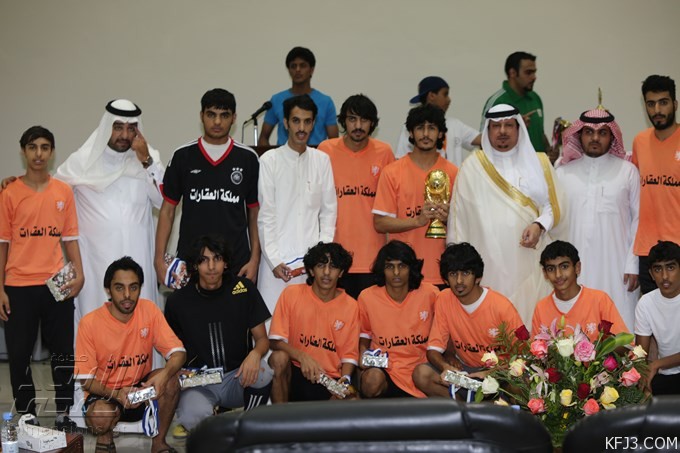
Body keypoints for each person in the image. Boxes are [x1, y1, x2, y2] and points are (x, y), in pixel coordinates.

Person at [0, 126, 84, 427]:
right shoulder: (9, 193)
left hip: (55, 284)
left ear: (52, 152)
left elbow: (70, 238)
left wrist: (79, 273)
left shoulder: (63, 192)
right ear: (23, 151)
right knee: (19, 355)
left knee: (62, 353)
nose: (38, 153)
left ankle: (64, 412)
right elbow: (3, 244)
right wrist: (0, 288)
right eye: (32, 147)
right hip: (18, 285)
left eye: (45, 147)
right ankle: (27, 413)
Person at [448, 103, 562, 324]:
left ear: (519, 128)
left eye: (509, 125)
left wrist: (539, 225)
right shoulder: (472, 167)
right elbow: (458, 218)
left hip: (529, 258)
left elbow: (553, 206)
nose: (502, 131)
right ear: (487, 130)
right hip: (487, 260)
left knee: (531, 318)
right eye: (496, 126)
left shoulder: (539, 163)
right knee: (492, 323)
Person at [54, 99, 164, 326]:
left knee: (141, 323)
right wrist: (21, 183)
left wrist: (146, 160)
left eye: (131, 128)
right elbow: (51, 194)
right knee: (95, 321)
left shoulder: (148, 158)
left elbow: (163, 200)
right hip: (95, 262)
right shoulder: (83, 160)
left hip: (138, 257)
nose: (124, 135)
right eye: (118, 127)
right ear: (107, 127)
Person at [74, 257, 185, 453]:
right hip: (107, 394)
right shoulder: (89, 323)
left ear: (140, 288)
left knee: (171, 381)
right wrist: (117, 394)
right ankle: (105, 440)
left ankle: (159, 444)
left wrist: (164, 375)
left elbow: (179, 353)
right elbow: (86, 380)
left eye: (133, 287)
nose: (127, 295)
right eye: (119, 288)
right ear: (108, 290)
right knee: (100, 415)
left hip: (142, 390)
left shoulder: (149, 310)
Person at [165, 236, 271, 435]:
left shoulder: (244, 289)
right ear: (195, 265)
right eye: (204, 260)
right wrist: (177, 370)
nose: (211, 266)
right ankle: (213, 423)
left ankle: (249, 427)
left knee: (263, 372)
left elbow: (263, 340)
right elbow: (170, 349)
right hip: (199, 383)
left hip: (237, 377)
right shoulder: (178, 301)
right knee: (192, 418)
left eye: (217, 259)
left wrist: (255, 354)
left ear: (226, 263)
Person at [155, 89, 260, 285]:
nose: (217, 122)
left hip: (237, 263)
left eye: (224, 115)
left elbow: (255, 214)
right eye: (211, 115)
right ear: (201, 116)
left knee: (238, 307)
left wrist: (255, 260)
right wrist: (158, 260)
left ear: (234, 118)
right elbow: (167, 210)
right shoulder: (183, 156)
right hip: (191, 262)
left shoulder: (248, 158)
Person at [555, 106, 640, 328]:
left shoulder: (627, 171)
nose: (595, 138)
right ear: (579, 135)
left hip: (617, 265)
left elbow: (638, 220)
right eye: (589, 132)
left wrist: (633, 263)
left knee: (619, 323)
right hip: (575, 266)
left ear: (612, 137)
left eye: (602, 132)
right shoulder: (563, 173)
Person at [257, 94, 337, 316]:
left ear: (313, 123)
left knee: (309, 328)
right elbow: (266, 215)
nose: (301, 128)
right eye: (296, 121)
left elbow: (329, 212)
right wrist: (274, 260)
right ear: (285, 123)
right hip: (276, 265)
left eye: (307, 121)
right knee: (272, 327)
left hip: (311, 266)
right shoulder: (269, 161)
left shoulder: (322, 161)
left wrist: (321, 259)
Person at [413, 243, 524, 398]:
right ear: (446, 279)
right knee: (421, 374)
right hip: (465, 372)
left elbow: (523, 357)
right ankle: (461, 407)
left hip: (498, 374)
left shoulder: (501, 306)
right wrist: (445, 367)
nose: (459, 281)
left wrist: (490, 373)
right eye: (453, 274)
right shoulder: (444, 299)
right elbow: (433, 350)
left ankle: (493, 403)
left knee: (520, 384)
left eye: (465, 273)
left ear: (477, 277)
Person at [318, 94, 395, 298]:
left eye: (364, 120)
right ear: (343, 121)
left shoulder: (385, 152)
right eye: (352, 119)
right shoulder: (325, 150)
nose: (358, 126)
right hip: (334, 256)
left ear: (373, 123)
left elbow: (392, 204)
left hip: (372, 256)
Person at [373, 104, 458, 286]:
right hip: (403, 274)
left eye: (432, 128)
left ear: (441, 134)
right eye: (420, 128)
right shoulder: (392, 172)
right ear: (411, 133)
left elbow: (464, 224)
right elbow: (380, 223)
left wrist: (448, 219)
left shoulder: (454, 173)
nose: (426, 134)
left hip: (442, 272)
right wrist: (417, 221)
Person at [268, 242, 359, 402]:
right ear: (311, 270)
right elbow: (274, 342)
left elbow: (349, 355)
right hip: (296, 371)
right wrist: (302, 356)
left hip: (329, 379)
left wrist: (344, 381)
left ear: (341, 272)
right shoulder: (291, 294)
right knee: (278, 358)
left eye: (333, 267)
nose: (326, 272)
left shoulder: (351, 305)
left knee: (352, 400)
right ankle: (281, 416)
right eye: (320, 265)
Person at [357, 241, 438, 398]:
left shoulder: (431, 294)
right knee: (371, 381)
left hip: (421, 367)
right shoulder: (367, 297)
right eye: (389, 267)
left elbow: (445, 329)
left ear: (411, 268)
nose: (396, 272)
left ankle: (461, 407)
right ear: (382, 269)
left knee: (424, 375)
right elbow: (364, 334)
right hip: (387, 369)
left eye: (402, 266)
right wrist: (363, 354)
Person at [632, 75, 680, 294]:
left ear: (675, 104)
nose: (657, 110)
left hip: (678, 247)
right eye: (651, 104)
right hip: (648, 251)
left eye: (663, 102)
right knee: (651, 311)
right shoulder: (639, 142)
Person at [532, 240, 629, 341]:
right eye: (551, 269)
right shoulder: (541, 308)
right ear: (545, 273)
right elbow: (534, 348)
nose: (558, 275)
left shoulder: (599, 300)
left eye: (564, 267)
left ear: (577, 267)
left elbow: (624, 343)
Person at [258, 46, 338, 147]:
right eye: (293, 66)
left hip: (316, 155)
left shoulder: (325, 102)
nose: (298, 70)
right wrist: (272, 155)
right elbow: (263, 138)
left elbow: (334, 141)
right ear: (288, 70)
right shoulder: (276, 100)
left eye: (303, 66)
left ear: (311, 70)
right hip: (284, 155)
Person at [395, 76, 480, 166]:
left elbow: (485, 140)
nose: (449, 99)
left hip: (453, 175)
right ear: (432, 95)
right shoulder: (410, 127)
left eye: (432, 128)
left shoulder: (455, 125)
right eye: (445, 94)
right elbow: (400, 162)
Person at [481, 51, 551, 155]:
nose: (534, 77)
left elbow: (540, 133)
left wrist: (549, 150)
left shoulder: (535, 98)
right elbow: (482, 141)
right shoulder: (497, 101)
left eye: (534, 72)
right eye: (528, 72)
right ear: (512, 73)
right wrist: (516, 126)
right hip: (510, 164)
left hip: (539, 164)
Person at [635, 241, 680, 395]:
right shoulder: (645, 303)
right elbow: (640, 354)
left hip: (660, 366)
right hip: (665, 375)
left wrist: (656, 364)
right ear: (651, 274)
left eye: (671, 267)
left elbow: (653, 364)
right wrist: (643, 381)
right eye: (658, 269)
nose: (664, 276)